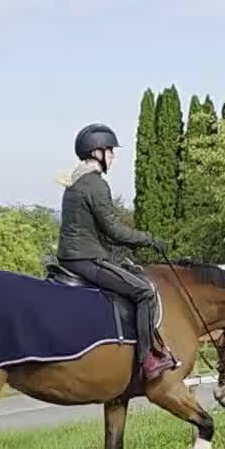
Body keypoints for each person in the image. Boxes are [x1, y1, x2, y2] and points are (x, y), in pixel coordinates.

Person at [57, 124, 178, 382]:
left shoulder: (76, 182)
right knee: (144, 292)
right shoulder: (95, 185)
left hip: (75, 255)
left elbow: (98, 230)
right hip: (86, 258)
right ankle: (147, 360)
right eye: (110, 150)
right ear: (97, 152)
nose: (112, 156)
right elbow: (114, 230)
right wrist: (149, 240)